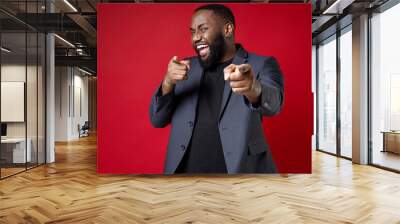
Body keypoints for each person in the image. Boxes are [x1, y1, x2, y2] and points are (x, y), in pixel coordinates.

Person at [149, 4, 284, 174]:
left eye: (203, 29)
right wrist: (167, 82)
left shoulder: (261, 64)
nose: (196, 37)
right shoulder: (184, 68)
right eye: (192, 31)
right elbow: (157, 120)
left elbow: (275, 105)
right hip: (184, 173)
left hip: (238, 173)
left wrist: (253, 88)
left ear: (227, 29)